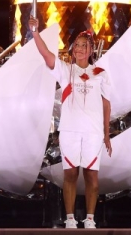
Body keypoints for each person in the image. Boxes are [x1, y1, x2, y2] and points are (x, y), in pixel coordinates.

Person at [28, 15, 112, 229]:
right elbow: (46, 55)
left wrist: (107, 134)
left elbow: (106, 105)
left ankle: (90, 219)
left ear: (91, 50)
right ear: (73, 50)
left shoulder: (100, 74)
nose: (80, 49)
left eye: (84, 45)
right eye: (77, 46)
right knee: (71, 174)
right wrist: (35, 32)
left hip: (93, 132)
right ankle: (71, 219)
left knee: (92, 176)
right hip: (70, 131)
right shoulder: (66, 70)